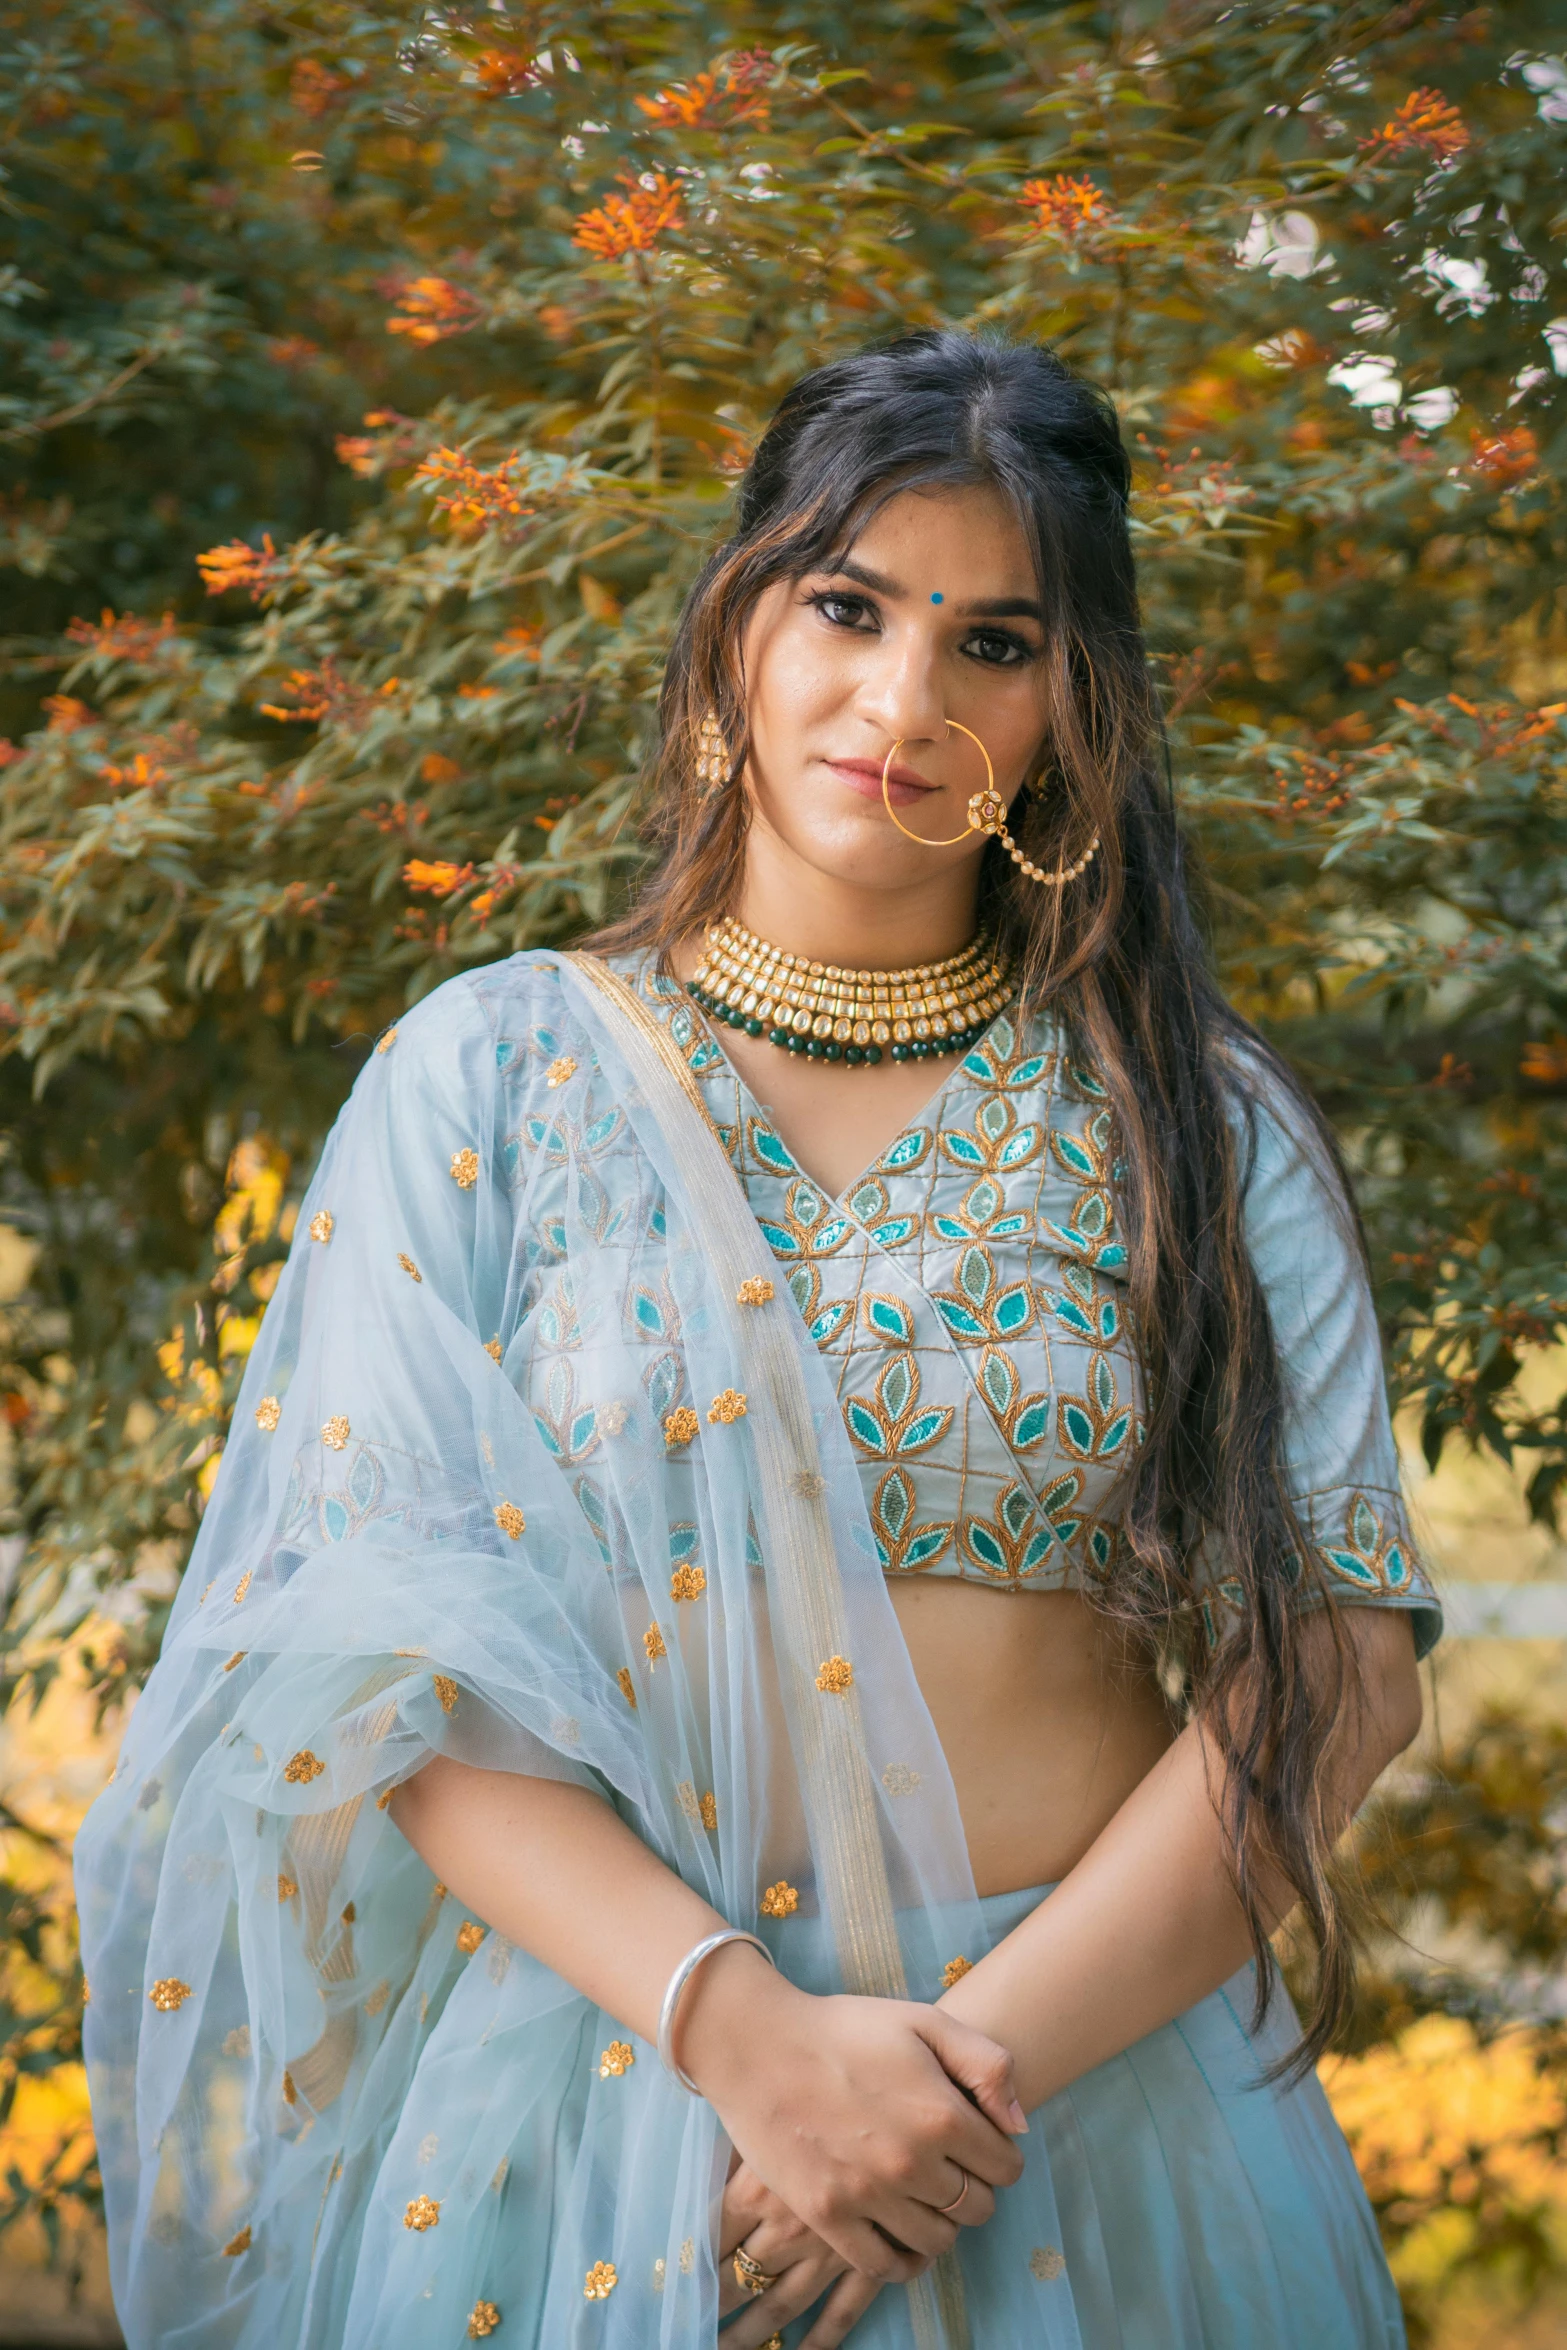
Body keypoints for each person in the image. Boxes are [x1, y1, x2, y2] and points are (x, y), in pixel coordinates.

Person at [76, 333, 1440, 2350]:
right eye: (848, 605)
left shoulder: (1196, 1125)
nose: (902, 701)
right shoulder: (493, 1079)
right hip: (609, 2101)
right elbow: (383, 1661)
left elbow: (1333, 1664)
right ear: (736, 626)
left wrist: (942, 2087)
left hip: (1080, 2106)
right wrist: (760, 2044)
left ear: (1078, 705)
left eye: (995, 642)